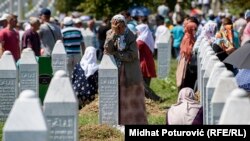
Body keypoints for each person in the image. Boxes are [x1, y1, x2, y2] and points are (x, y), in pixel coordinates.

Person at [104, 14, 148, 125]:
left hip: (129, 70)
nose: (119, 28)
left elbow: (133, 55)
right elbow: (107, 49)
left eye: (121, 25)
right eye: (115, 25)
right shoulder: (109, 33)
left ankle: (133, 121)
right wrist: (114, 34)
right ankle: (118, 121)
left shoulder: (130, 35)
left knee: (129, 95)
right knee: (117, 96)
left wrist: (117, 54)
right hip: (115, 70)